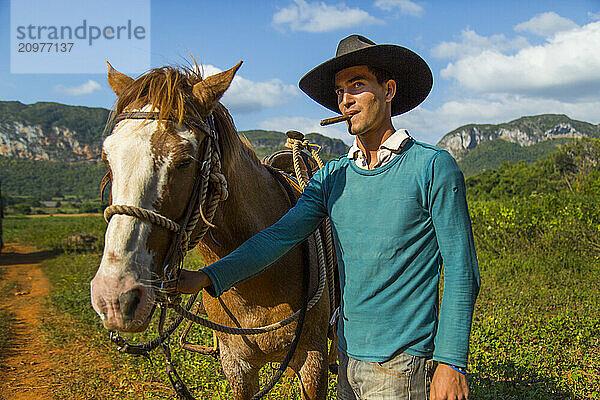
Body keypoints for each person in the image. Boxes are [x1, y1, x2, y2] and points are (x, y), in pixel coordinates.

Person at [178, 34, 480, 400]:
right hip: (348, 359)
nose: (345, 100)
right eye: (339, 91)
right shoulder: (334, 176)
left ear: (388, 90)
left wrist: (450, 362)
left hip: (402, 365)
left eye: (357, 85)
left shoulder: (432, 167)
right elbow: (278, 237)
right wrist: (208, 277)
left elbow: (463, 270)